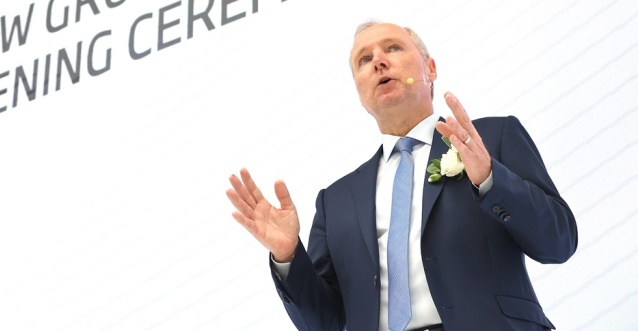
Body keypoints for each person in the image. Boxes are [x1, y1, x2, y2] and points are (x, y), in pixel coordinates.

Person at [226, 22, 577, 331]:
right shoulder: (336, 202)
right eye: (364, 60)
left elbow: (558, 243)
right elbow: (325, 322)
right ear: (361, 95)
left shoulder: (492, 138)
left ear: (431, 68)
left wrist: (490, 179)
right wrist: (288, 258)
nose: (378, 60)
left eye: (393, 48)